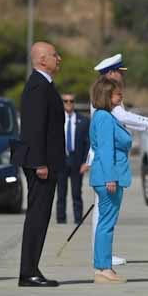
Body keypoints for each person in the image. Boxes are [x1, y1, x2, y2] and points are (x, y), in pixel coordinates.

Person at [81, 54, 148, 267]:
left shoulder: (107, 95)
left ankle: (101, 254)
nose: (122, 76)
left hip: (105, 160)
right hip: (106, 163)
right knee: (103, 214)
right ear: (111, 73)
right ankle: (102, 256)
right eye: (119, 72)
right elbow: (124, 119)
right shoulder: (107, 98)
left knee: (102, 213)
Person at [12, 41, 65, 287]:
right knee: (37, 216)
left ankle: (31, 268)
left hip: (46, 162)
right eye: (55, 55)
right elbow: (34, 129)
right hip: (40, 164)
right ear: (42, 60)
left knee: (41, 217)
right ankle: (28, 272)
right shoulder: (38, 86)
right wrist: (39, 163)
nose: (59, 58)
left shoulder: (45, 85)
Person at [88, 76, 132, 284]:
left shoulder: (103, 116)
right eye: (116, 93)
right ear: (106, 95)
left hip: (105, 175)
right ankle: (103, 268)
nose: (120, 96)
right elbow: (106, 150)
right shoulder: (105, 118)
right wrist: (111, 177)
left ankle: (103, 266)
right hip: (109, 176)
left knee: (105, 223)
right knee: (106, 224)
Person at [57, 93, 90, 224]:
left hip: (77, 161)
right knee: (61, 193)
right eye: (65, 101)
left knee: (76, 192)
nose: (68, 103)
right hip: (61, 160)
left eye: (71, 101)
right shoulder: (57, 120)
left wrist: (86, 162)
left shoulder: (83, 121)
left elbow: (88, 143)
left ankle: (78, 219)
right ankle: (61, 219)